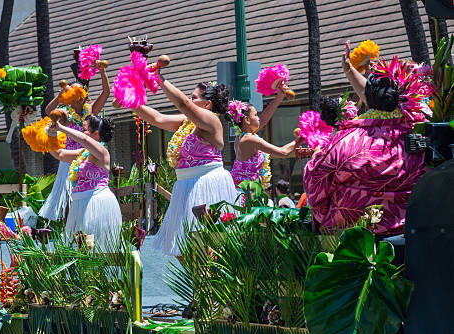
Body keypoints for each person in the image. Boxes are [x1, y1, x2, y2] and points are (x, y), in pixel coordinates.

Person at [303, 46, 430, 235]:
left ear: (369, 100)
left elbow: (314, 188)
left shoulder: (346, 142)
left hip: (355, 238)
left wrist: (327, 218)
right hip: (417, 234)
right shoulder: (424, 134)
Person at [132, 77, 237, 257]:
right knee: (184, 250)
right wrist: (132, 102)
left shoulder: (211, 120)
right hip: (185, 185)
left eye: (194, 97)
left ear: (207, 104)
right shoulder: (187, 122)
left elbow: (183, 103)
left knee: (205, 246)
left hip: (206, 183)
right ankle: (201, 282)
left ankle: (208, 282)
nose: (191, 100)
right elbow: (158, 118)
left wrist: (159, 78)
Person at [39, 60, 110, 222]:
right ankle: (70, 230)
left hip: (87, 158)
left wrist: (102, 72)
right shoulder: (65, 114)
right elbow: (48, 111)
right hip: (68, 159)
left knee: (83, 195)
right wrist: (59, 96)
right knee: (68, 200)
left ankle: (85, 225)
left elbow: (106, 93)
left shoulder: (90, 111)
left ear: (82, 95)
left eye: (78, 92)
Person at [48, 114, 122, 246]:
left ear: (96, 134)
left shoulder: (102, 152)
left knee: (94, 247)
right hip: (79, 203)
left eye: (84, 129)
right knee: (79, 248)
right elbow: (59, 154)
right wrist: (50, 135)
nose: (81, 132)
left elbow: (82, 139)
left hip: (96, 202)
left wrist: (61, 128)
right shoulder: (84, 152)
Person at [227, 82, 302, 192]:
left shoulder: (241, 136)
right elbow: (283, 152)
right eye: (256, 115)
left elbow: (264, 119)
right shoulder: (250, 139)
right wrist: (303, 137)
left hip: (241, 189)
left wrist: (279, 97)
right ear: (247, 120)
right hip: (245, 193)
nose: (258, 118)